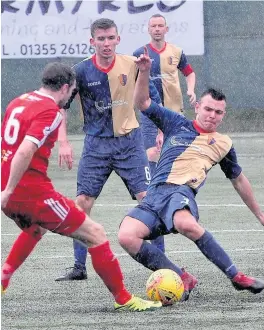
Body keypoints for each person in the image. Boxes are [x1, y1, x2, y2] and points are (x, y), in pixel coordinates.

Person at [116, 47, 264, 300]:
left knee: (185, 223)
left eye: (218, 112)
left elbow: (238, 180)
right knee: (126, 236)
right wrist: (144, 71)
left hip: (181, 192)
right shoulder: (176, 123)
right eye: (208, 109)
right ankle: (181, 277)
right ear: (198, 108)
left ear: (223, 116)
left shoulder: (223, 143)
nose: (212, 116)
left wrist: (259, 214)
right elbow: (143, 103)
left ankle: (236, 276)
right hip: (155, 194)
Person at [0, 62, 162, 312]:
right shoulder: (49, 111)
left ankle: (3, 278)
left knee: (37, 228)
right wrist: (10, 190)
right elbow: (24, 150)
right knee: (96, 234)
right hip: (29, 193)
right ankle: (123, 298)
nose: (71, 97)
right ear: (64, 87)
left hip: (12, 192)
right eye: (73, 91)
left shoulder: (18, 101)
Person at [55, 18, 161, 281]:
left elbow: (150, 100)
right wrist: (64, 142)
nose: (106, 43)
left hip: (129, 144)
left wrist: (161, 130)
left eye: (110, 38)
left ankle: (163, 267)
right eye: (100, 39)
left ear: (118, 39)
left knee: (150, 203)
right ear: (92, 42)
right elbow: (61, 108)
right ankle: (79, 267)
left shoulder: (132, 65)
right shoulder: (79, 72)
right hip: (96, 146)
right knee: (82, 204)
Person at [133, 14, 197, 253]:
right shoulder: (140, 53)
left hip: (175, 113)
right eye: (153, 26)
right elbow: (135, 84)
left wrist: (191, 90)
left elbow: (189, 73)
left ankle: (172, 194)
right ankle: (155, 196)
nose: (157, 29)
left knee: (175, 160)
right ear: (148, 29)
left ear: (166, 29)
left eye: (160, 25)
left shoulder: (177, 52)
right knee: (152, 156)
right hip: (151, 115)